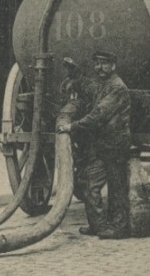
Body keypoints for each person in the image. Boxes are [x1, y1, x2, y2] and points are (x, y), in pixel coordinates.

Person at [56, 50, 133, 239]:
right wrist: (75, 73)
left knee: (117, 188)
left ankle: (120, 228)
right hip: (102, 144)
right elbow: (88, 86)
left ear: (113, 66)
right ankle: (98, 226)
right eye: (97, 63)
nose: (99, 67)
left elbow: (98, 115)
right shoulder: (102, 84)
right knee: (91, 184)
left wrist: (71, 127)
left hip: (115, 144)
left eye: (104, 63)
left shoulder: (117, 87)